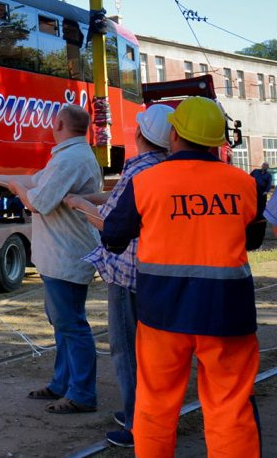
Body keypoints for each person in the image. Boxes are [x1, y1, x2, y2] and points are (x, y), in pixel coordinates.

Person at [102, 96, 262, 457]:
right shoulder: (244, 184)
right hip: (227, 314)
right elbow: (251, 239)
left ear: (174, 135)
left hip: (163, 315)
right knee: (230, 407)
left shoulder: (146, 182)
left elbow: (113, 237)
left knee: (155, 405)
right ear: (217, 141)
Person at [0, 103, 102, 414]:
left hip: (66, 254)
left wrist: (15, 187)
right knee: (63, 324)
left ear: (58, 124)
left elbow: (37, 202)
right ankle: (62, 384)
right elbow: (36, 181)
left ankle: (81, 393)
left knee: (71, 325)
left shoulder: (70, 159)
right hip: (61, 254)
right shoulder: (70, 155)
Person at [63, 103, 174, 448]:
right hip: (158, 271)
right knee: (154, 351)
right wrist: (91, 196)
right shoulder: (167, 166)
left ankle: (136, 425)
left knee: (126, 350)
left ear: (140, 134)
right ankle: (148, 415)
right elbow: (122, 198)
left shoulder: (139, 168)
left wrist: (80, 205)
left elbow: (111, 223)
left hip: (128, 273)